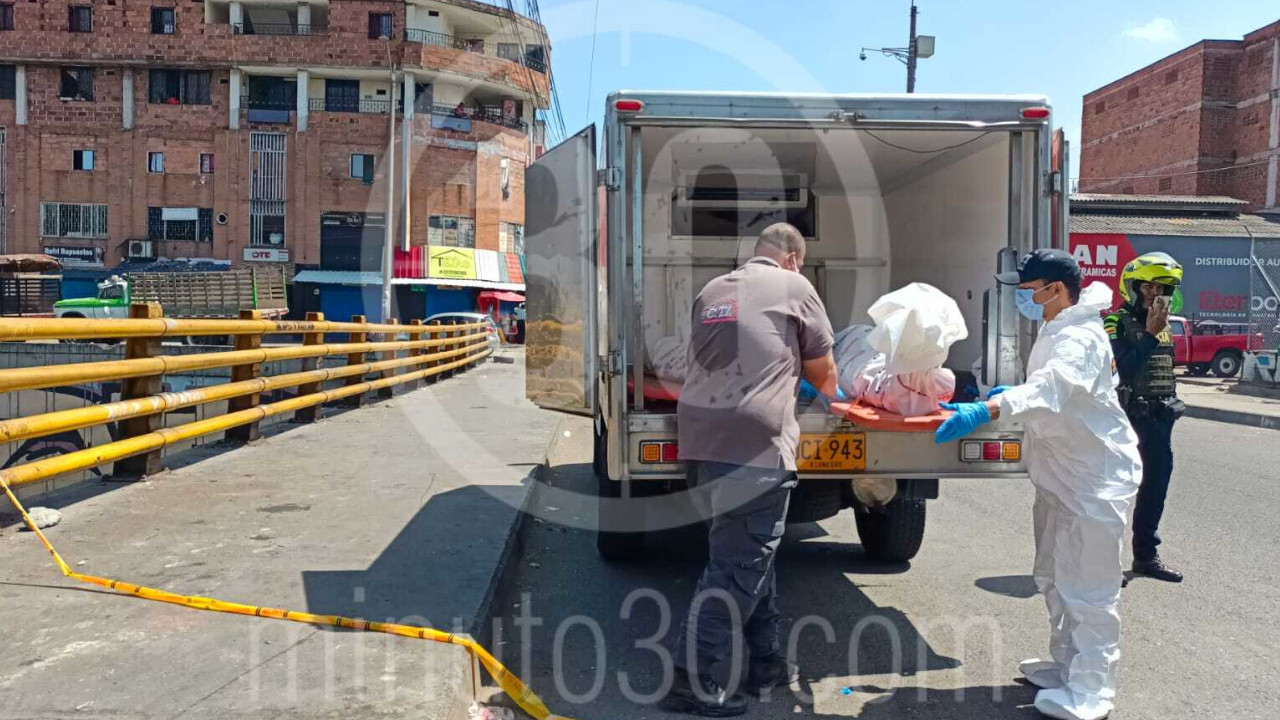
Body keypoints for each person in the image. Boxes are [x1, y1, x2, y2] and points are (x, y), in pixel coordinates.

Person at [933, 248, 1142, 720]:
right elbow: (1054, 389)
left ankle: (1091, 689)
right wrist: (1014, 394)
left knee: (1089, 589)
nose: (1022, 298)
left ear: (1056, 289)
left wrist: (988, 408)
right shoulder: (1057, 325)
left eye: (1028, 289)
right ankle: (1066, 664)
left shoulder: (1080, 337)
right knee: (1054, 575)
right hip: (1063, 476)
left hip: (1093, 481)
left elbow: (1053, 388)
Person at [663, 222, 839, 717]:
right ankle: (688, 681)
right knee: (737, 567)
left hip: (701, 443)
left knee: (745, 555)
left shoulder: (712, 290)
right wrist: (831, 392)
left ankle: (765, 663)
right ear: (793, 259)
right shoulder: (795, 287)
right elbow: (825, 373)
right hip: (754, 448)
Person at [1104, 252, 1186, 583]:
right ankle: (1104, 563)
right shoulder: (1115, 322)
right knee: (1115, 492)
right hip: (1127, 420)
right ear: (1133, 287)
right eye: (1149, 287)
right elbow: (1121, 370)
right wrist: (1150, 334)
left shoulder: (1163, 326)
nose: (1155, 294)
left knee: (1155, 489)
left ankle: (1146, 557)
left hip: (1160, 420)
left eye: (1162, 288)